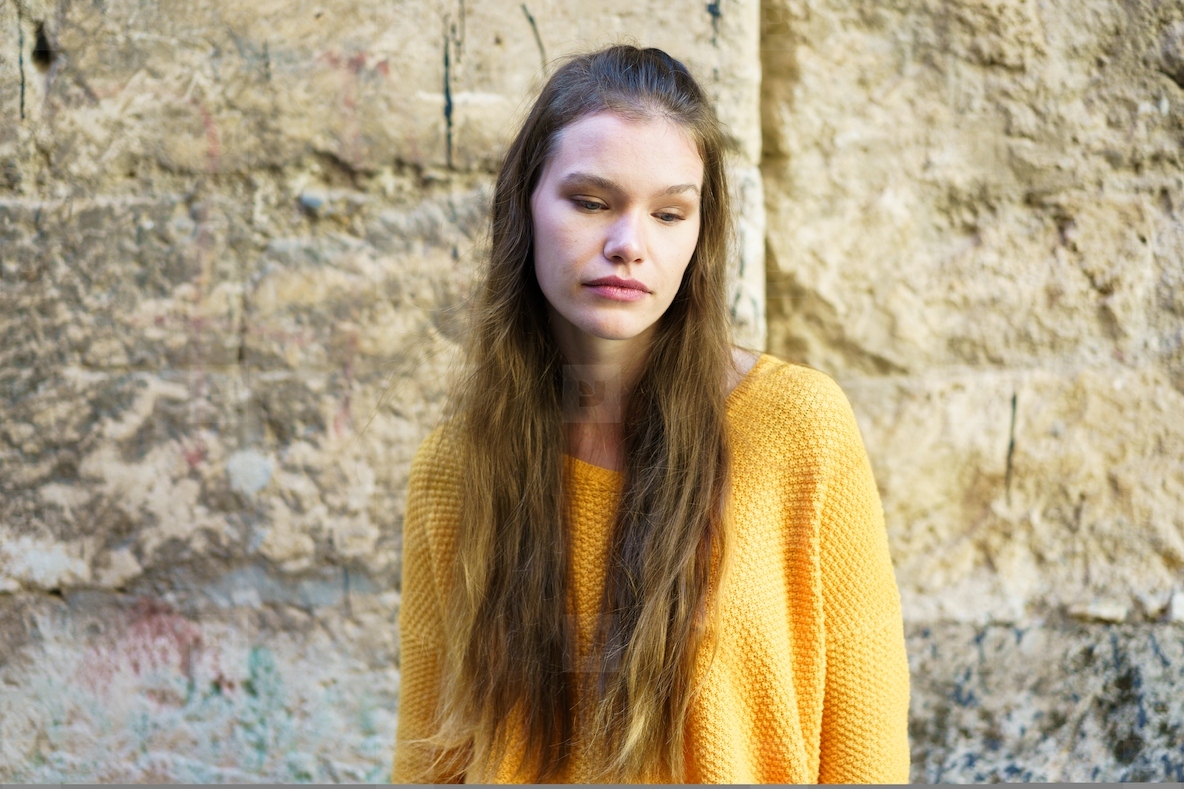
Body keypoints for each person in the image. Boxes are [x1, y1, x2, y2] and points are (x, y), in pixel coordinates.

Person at [391, 45, 910, 784]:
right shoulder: (456, 470)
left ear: (699, 234)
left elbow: (867, 747)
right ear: (526, 205)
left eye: (669, 212)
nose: (629, 245)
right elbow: (429, 757)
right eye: (592, 201)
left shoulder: (798, 426)